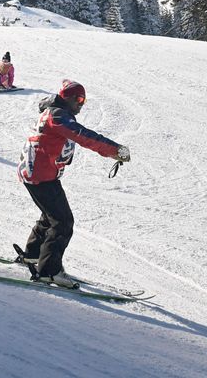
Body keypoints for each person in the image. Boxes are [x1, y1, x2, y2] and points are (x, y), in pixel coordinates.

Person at [17, 79, 129, 288]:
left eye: (83, 101)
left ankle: (33, 255)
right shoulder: (58, 115)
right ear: (67, 98)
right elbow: (83, 136)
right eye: (78, 99)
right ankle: (49, 271)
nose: (81, 104)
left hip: (37, 173)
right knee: (63, 222)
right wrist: (115, 150)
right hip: (41, 175)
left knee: (51, 217)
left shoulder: (54, 113)